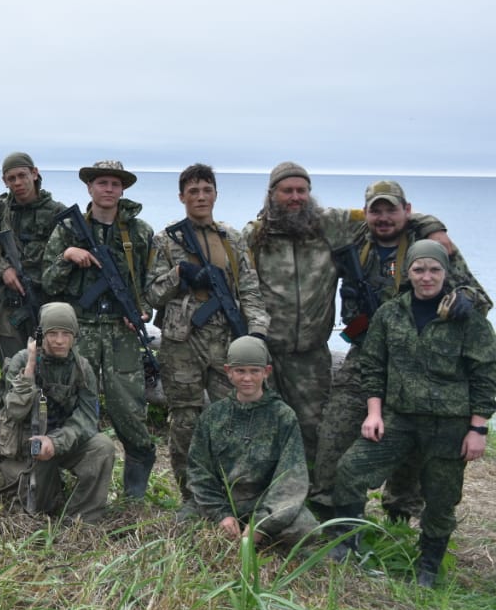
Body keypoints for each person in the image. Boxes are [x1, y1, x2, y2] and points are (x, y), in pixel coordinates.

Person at [312, 180, 486, 520]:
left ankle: (400, 513)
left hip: (418, 359)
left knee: (415, 438)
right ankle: (332, 512)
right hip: (366, 352)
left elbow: (476, 296)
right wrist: (361, 331)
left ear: (407, 211)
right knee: (336, 426)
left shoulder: (427, 247)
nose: (383, 217)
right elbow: (305, 217)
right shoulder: (356, 241)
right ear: (366, 214)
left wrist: (463, 300)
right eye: (375, 210)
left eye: (391, 209)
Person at [330, 241, 495, 587]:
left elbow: (486, 375)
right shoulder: (392, 313)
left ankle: (429, 568)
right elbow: (373, 365)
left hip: (449, 426)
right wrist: (374, 413)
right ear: (409, 274)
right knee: (350, 470)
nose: (426, 277)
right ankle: (348, 546)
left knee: (440, 499)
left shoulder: (467, 318)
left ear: (446, 274)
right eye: (419, 269)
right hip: (399, 419)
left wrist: (478, 429)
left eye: (434, 270)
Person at [145, 163, 269, 502]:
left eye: (206, 190)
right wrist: (179, 275)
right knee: (185, 422)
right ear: (182, 196)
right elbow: (152, 294)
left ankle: (235, 494)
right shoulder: (166, 238)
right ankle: (191, 497)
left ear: (215, 193)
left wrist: (255, 334)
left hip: (225, 340)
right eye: (193, 191)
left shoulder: (232, 238)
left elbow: (250, 289)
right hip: (181, 341)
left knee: (234, 417)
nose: (201, 196)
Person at [43, 160, 156, 500]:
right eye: (102, 183)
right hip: (82, 331)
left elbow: (150, 283)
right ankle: (63, 483)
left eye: (115, 184)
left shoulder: (139, 232)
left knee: (130, 413)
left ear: (123, 190)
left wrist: (142, 309)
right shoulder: (67, 230)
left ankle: (134, 494)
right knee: (69, 406)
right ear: (89, 187)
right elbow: (48, 281)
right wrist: (68, 255)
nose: (109, 189)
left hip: (121, 333)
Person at [186, 336, 318, 549]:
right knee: (183, 525)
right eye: (240, 371)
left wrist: (262, 523)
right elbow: (199, 471)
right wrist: (221, 515)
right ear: (228, 371)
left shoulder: (283, 417)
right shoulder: (213, 416)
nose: (247, 378)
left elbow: (291, 479)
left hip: (264, 503)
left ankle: (258, 539)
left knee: (306, 529)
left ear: (266, 372)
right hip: (223, 500)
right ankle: (231, 533)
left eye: (254, 371)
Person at [3, 303, 115, 522]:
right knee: (36, 508)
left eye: (66, 334)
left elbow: (87, 418)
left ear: (75, 336)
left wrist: (55, 442)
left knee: (103, 446)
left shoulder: (82, 368)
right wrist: (29, 370)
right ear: (42, 334)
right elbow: (14, 412)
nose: (60, 341)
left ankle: (81, 518)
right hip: (28, 443)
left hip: (62, 441)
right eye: (53, 334)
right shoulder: (21, 361)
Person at [0, 152, 66, 370]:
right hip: (9, 306)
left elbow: (66, 256)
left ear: (35, 173)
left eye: (22, 175)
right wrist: (4, 269)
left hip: (46, 303)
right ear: (5, 181)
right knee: (12, 370)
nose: (18, 183)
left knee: (50, 369)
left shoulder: (57, 212)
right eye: (11, 178)